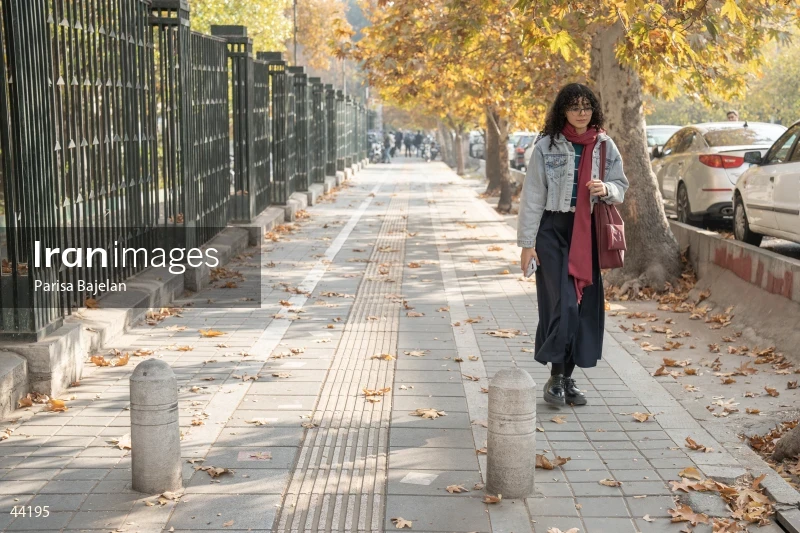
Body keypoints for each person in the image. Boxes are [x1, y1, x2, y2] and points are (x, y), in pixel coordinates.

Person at [517, 83, 629, 407]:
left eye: (587, 106)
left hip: (587, 232)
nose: (582, 112)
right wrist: (527, 244)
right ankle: (555, 376)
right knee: (563, 304)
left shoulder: (605, 145)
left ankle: (566, 377)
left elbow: (621, 186)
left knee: (582, 308)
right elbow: (532, 196)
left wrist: (606, 188)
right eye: (574, 107)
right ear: (562, 110)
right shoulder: (546, 146)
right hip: (552, 231)